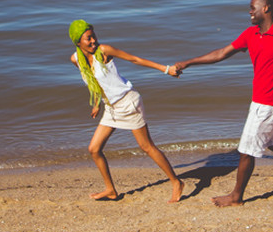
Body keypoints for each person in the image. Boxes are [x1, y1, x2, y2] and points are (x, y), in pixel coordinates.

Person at [175, 0, 273, 207]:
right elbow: (221, 53)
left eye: (253, 7)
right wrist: (188, 62)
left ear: (266, 8)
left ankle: (236, 196)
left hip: (270, 103)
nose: (249, 11)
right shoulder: (250, 34)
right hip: (260, 101)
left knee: (246, 151)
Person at [68, 19, 185, 203]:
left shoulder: (104, 51)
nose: (93, 42)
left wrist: (166, 69)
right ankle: (110, 190)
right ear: (77, 42)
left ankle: (176, 182)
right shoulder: (77, 59)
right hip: (111, 108)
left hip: (128, 103)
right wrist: (97, 103)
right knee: (94, 149)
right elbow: (93, 81)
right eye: (88, 39)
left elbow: (135, 59)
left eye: (93, 36)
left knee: (146, 146)